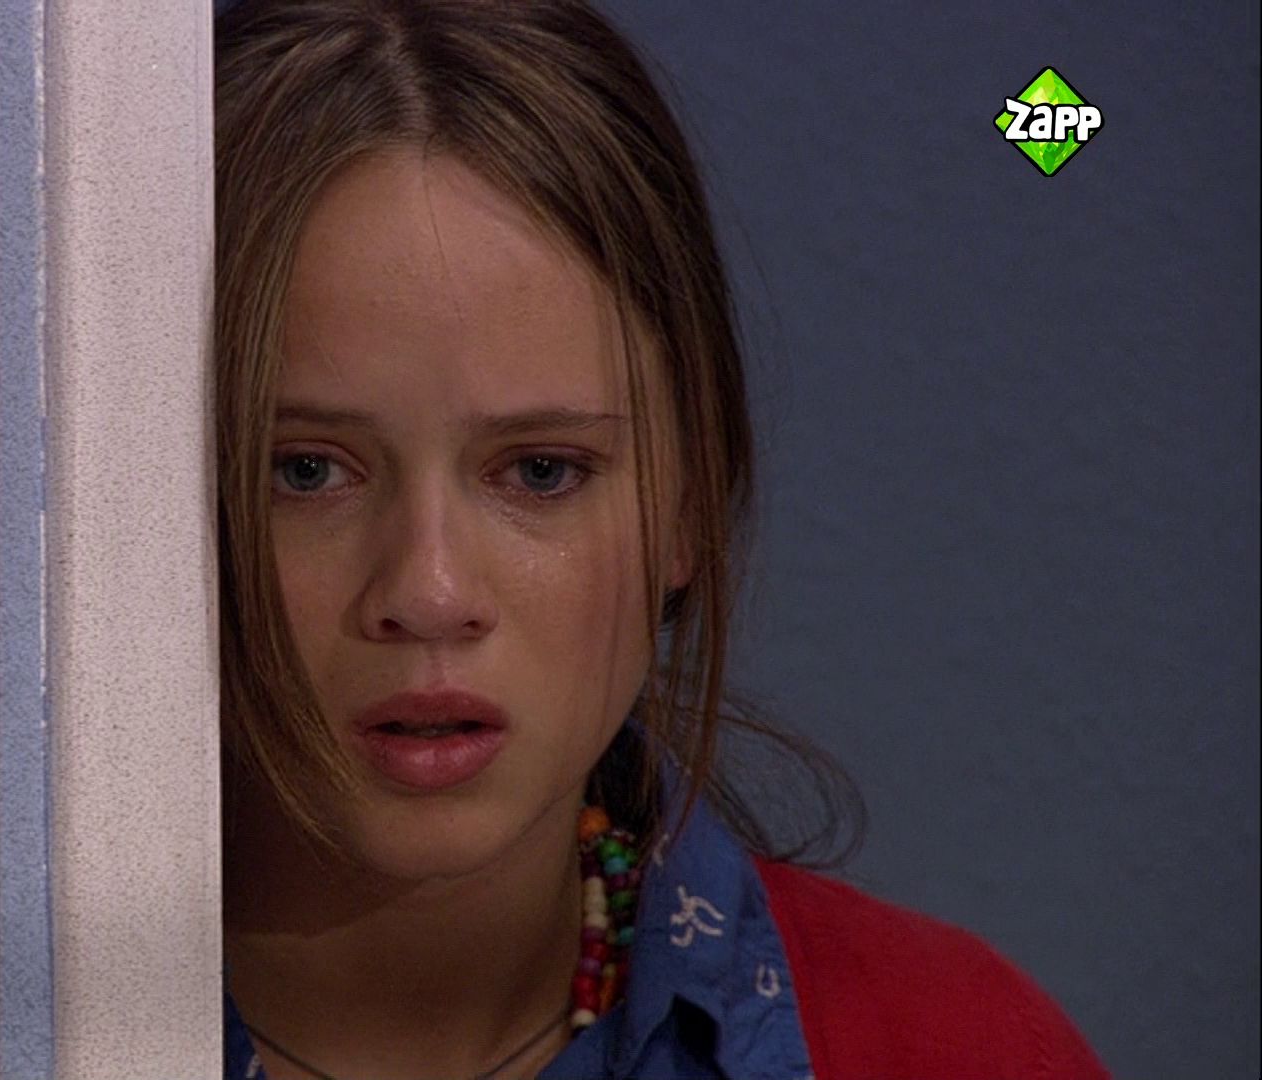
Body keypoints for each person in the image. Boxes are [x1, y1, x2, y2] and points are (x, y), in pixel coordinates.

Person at [211, 2, 1112, 1077]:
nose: (430, 591)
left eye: (541, 471)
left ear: (688, 499)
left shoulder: (958, 1050)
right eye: (305, 471)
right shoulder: (11, 1031)